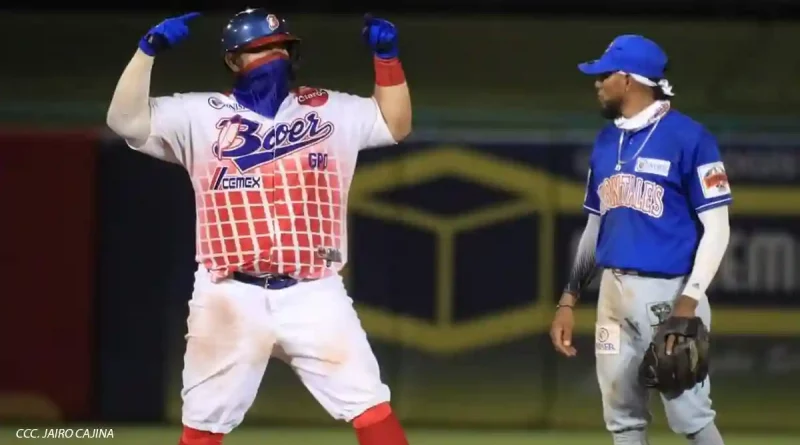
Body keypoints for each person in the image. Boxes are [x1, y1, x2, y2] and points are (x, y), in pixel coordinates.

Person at [106, 9, 412, 445]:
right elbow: (124, 121)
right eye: (258, 49)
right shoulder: (200, 114)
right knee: (203, 425)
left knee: (370, 406)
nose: (272, 55)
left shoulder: (328, 109)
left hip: (314, 289)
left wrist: (388, 59)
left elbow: (395, 124)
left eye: (280, 47)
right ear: (233, 60)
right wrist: (145, 52)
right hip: (228, 291)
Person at [549, 35, 730, 445]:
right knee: (622, 417)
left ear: (630, 80)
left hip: (669, 294)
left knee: (691, 415)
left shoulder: (690, 138)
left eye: (604, 75)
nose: (596, 83)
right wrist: (568, 299)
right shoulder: (605, 142)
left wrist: (689, 302)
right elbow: (596, 227)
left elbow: (718, 228)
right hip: (612, 296)